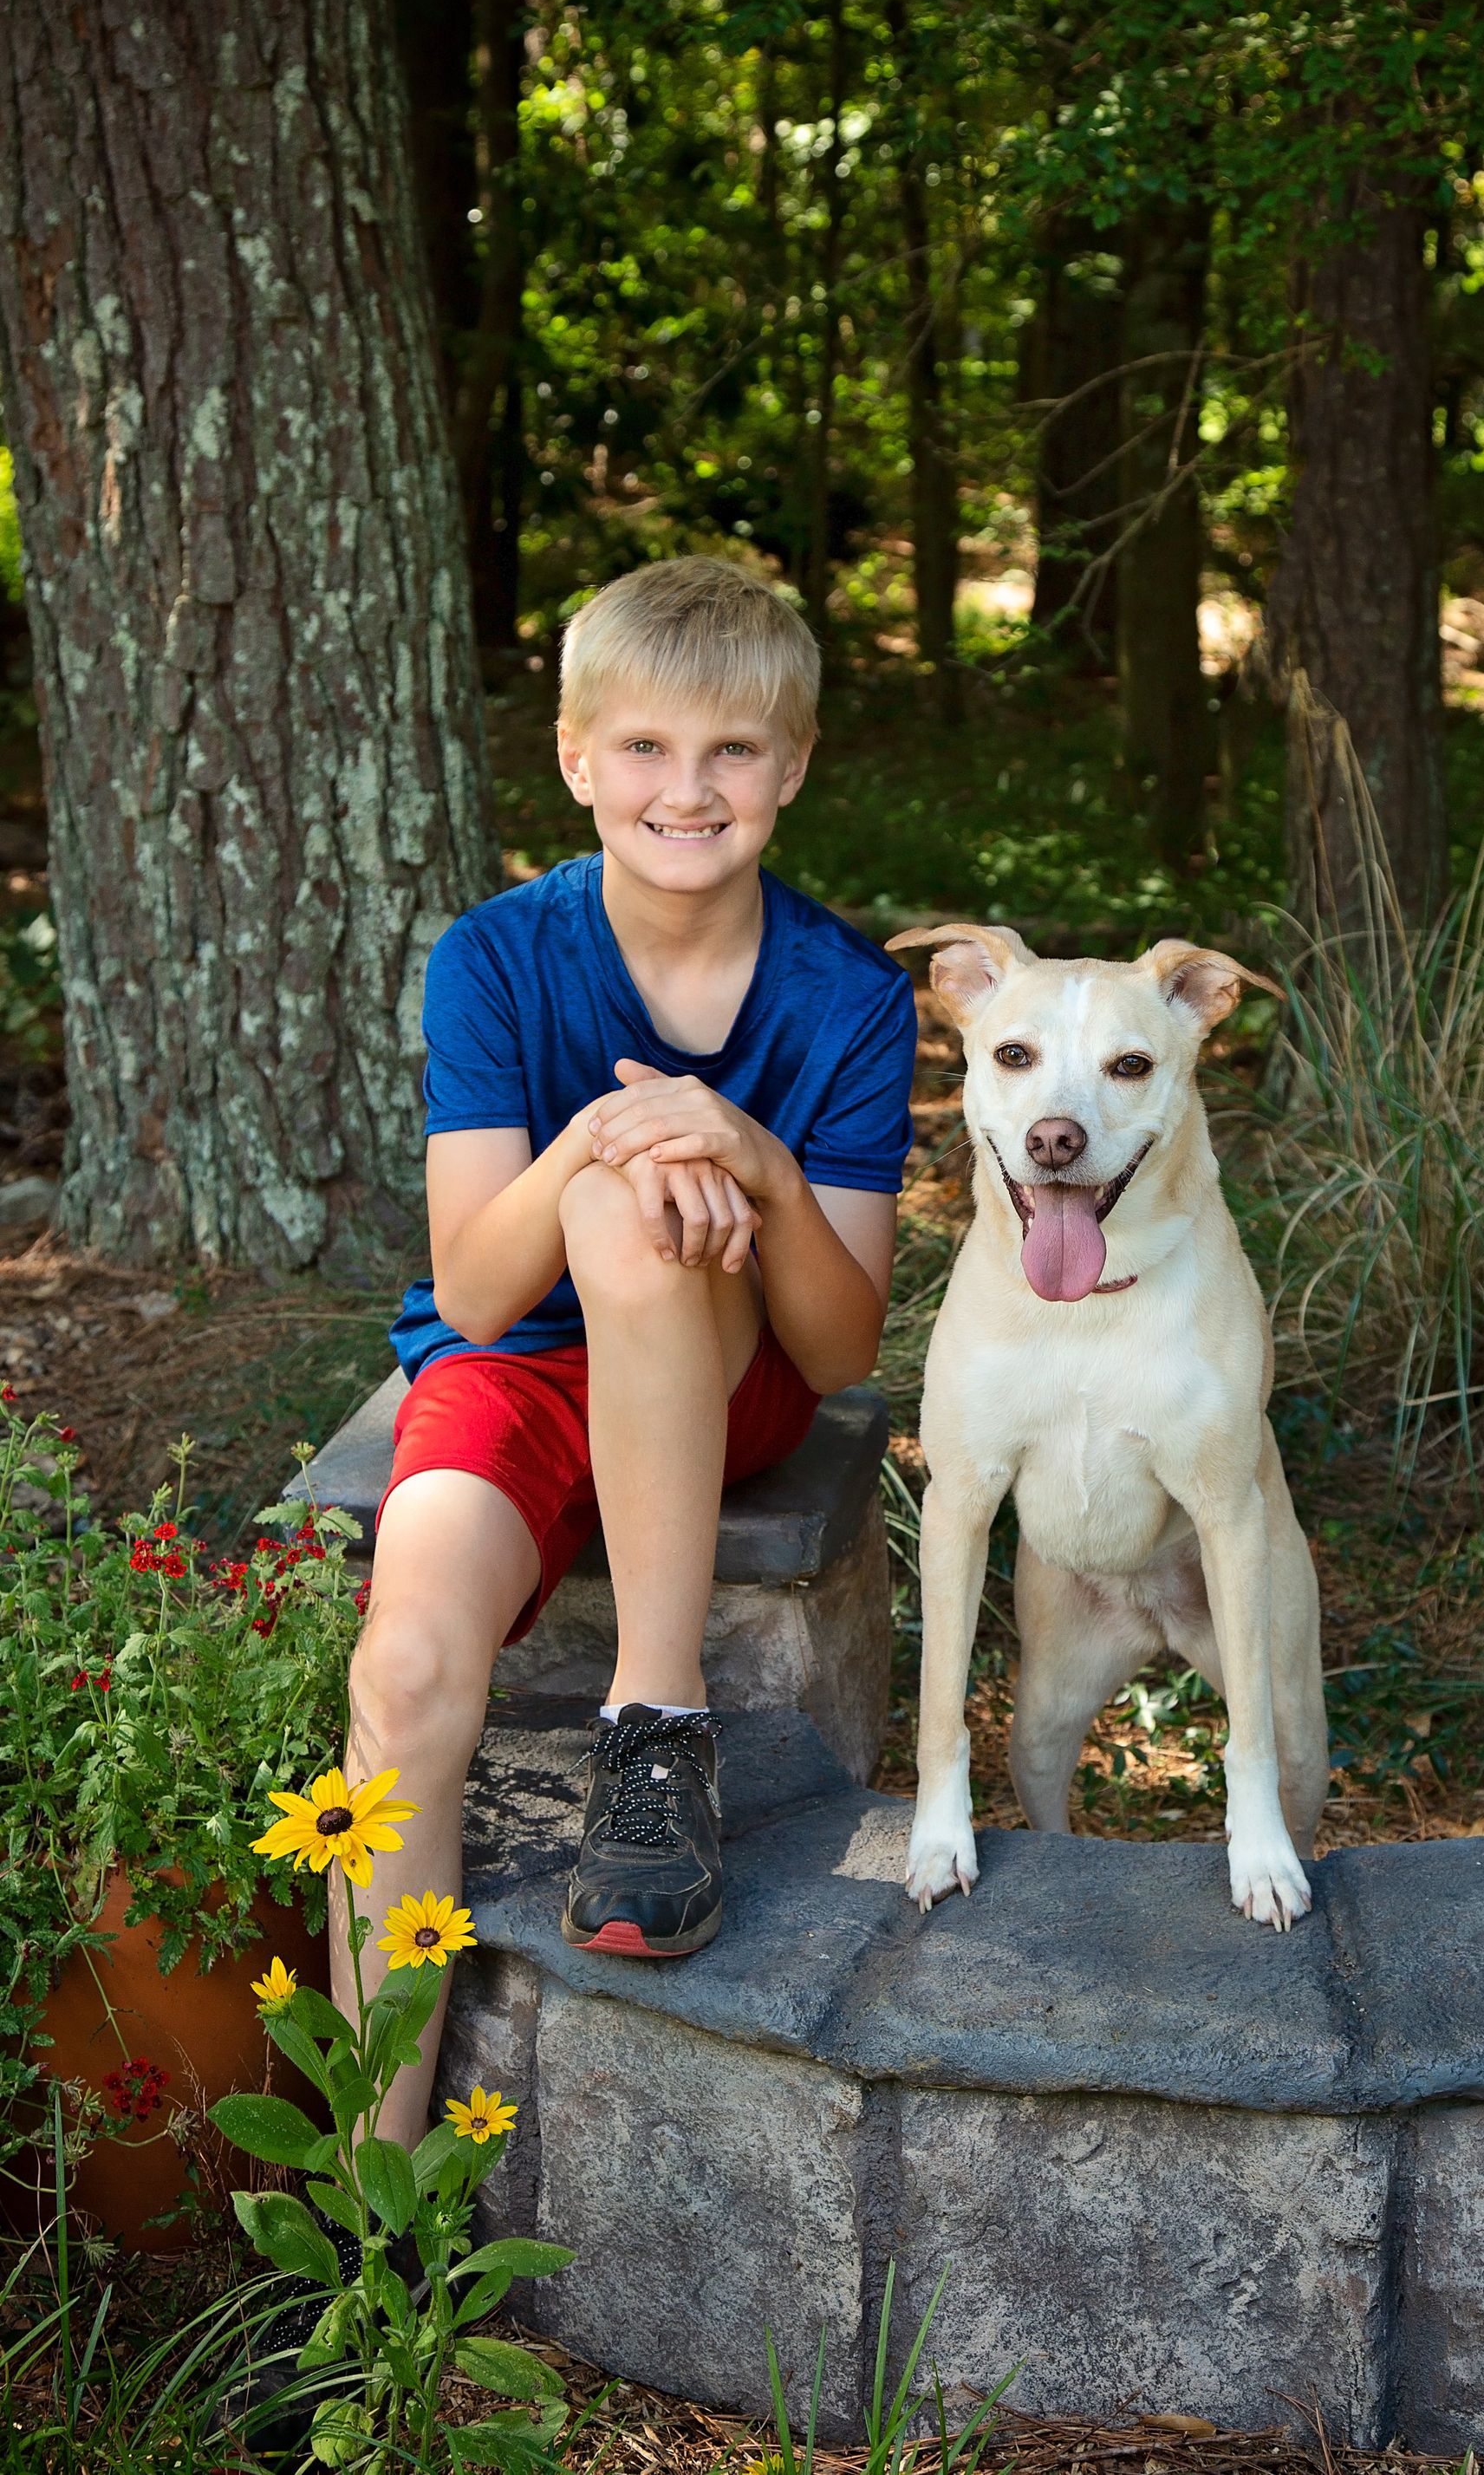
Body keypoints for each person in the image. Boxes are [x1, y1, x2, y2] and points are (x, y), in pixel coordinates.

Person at [342, 557, 918, 2145]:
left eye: (733, 751)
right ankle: (367, 2204)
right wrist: (606, 1134)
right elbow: (469, 1292)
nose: (689, 788)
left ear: (791, 768)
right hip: (518, 1366)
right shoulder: (495, 957)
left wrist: (754, 1157)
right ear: (578, 758)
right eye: (647, 749)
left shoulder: (850, 998)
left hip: (727, 1374)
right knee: (400, 1668)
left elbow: (844, 1336)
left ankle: (655, 1729)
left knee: (641, 1224)